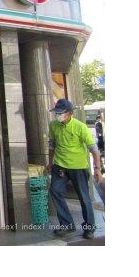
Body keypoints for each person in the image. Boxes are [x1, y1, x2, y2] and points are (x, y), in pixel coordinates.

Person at [47, 98, 104, 239]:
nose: (58, 115)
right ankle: (67, 224)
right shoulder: (53, 125)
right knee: (55, 191)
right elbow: (52, 145)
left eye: (61, 113)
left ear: (70, 113)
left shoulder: (80, 127)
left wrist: (97, 169)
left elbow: (94, 150)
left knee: (84, 197)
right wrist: (50, 163)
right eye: (57, 113)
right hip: (60, 166)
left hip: (78, 167)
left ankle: (89, 228)